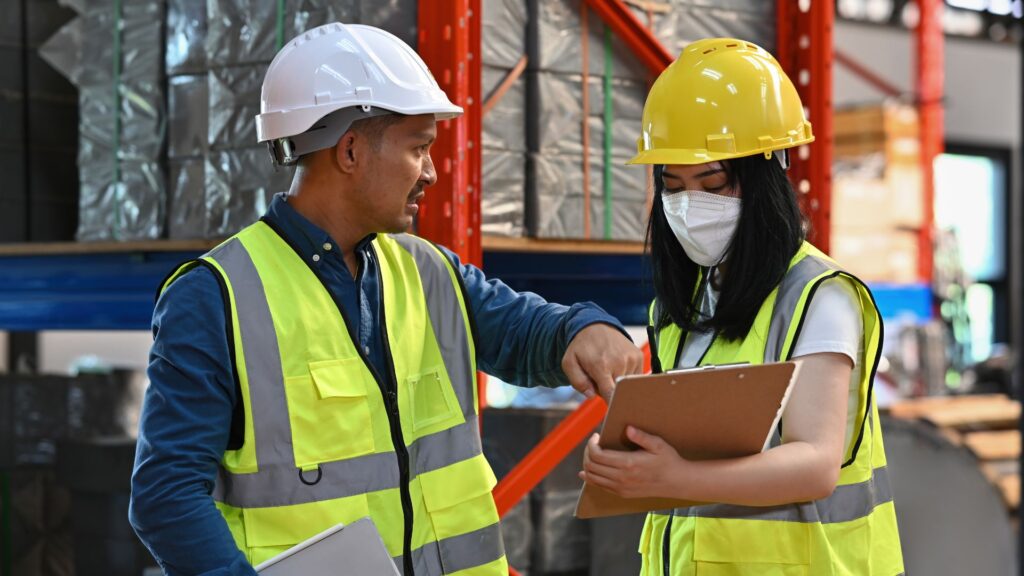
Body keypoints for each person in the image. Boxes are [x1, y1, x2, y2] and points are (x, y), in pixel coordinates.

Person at [129, 22, 643, 576]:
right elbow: (167, 496)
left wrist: (585, 328)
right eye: (419, 147)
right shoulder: (215, 297)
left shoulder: (429, 272)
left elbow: (527, 332)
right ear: (350, 150)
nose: (431, 171)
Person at [579, 38, 905, 575]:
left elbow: (815, 464)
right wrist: (625, 462)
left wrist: (676, 479)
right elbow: (690, 447)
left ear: (764, 180)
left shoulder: (819, 296)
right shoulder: (678, 308)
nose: (689, 207)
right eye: (673, 187)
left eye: (712, 184)